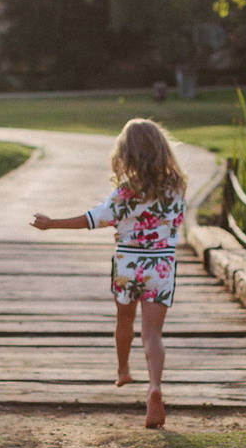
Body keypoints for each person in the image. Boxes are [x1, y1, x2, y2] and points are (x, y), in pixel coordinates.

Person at [31, 119, 187, 429]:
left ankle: (123, 370)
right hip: (161, 266)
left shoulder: (125, 192)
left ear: (125, 153)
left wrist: (52, 223)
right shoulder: (177, 187)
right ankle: (154, 386)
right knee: (153, 334)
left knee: (124, 320)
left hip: (128, 265)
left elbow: (93, 219)